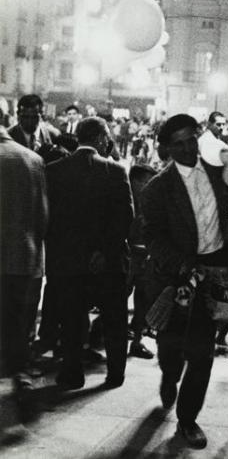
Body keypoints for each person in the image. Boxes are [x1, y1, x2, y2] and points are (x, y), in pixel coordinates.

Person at [142, 114, 228, 450]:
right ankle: (169, 375)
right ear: (167, 148)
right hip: (177, 277)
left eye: (191, 140)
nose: (187, 148)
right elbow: (154, 239)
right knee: (171, 346)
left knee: (202, 352)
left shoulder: (219, 175)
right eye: (179, 143)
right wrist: (183, 265)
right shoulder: (158, 188)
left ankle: (187, 420)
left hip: (215, 270)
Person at [45, 117, 134, 390]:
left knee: (72, 320)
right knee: (115, 321)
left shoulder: (54, 170)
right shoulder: (115, 170)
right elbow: (126, 218)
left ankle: (72, 373)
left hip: (69, 262)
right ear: (100, 138)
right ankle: (115, 374)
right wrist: (104, 251)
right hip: (107, 263)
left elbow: (50, 219)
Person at [0, 113, 48, 415]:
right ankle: (21, 376)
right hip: (22, 256)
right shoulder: (31, 159)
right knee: (18, 321)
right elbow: (43, 216)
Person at [127, 164, 157, 359]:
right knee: (115, 300)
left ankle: (136, 342)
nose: (149, 186)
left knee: (142, 302)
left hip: (144, 261)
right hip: (126, 259)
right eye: (146, 181)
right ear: (135, 181)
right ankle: (98, 336)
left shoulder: (149, 204)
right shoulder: (124, 201)